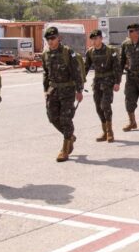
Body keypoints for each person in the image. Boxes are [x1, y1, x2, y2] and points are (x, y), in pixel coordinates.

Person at [41, 26, 84, 162]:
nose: (51, 41)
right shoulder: (45, 54)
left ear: (58, 38)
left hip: (67, 90)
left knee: (66, 119)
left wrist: (79, 90)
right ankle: (70, 135)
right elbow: (45, 73)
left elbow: (76, 72)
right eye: (48, 39)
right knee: (52, 117)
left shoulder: (67, 52)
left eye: (53, 38)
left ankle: (65, 149)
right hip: (53, 91)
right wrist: (45, 90)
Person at [83, 29, 121, 142]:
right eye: (92, 39)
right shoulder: (90, 52)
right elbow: (86, 67)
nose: (94, 41)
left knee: (105, 105)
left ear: (101, 38)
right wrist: (80, 80)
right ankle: (104, 132)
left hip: (108, 82)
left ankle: (110, 132)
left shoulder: (110, 51)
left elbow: (117, 68)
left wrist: (117, 82)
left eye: (96, 39)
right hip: (97, 81)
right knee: (98, 107)